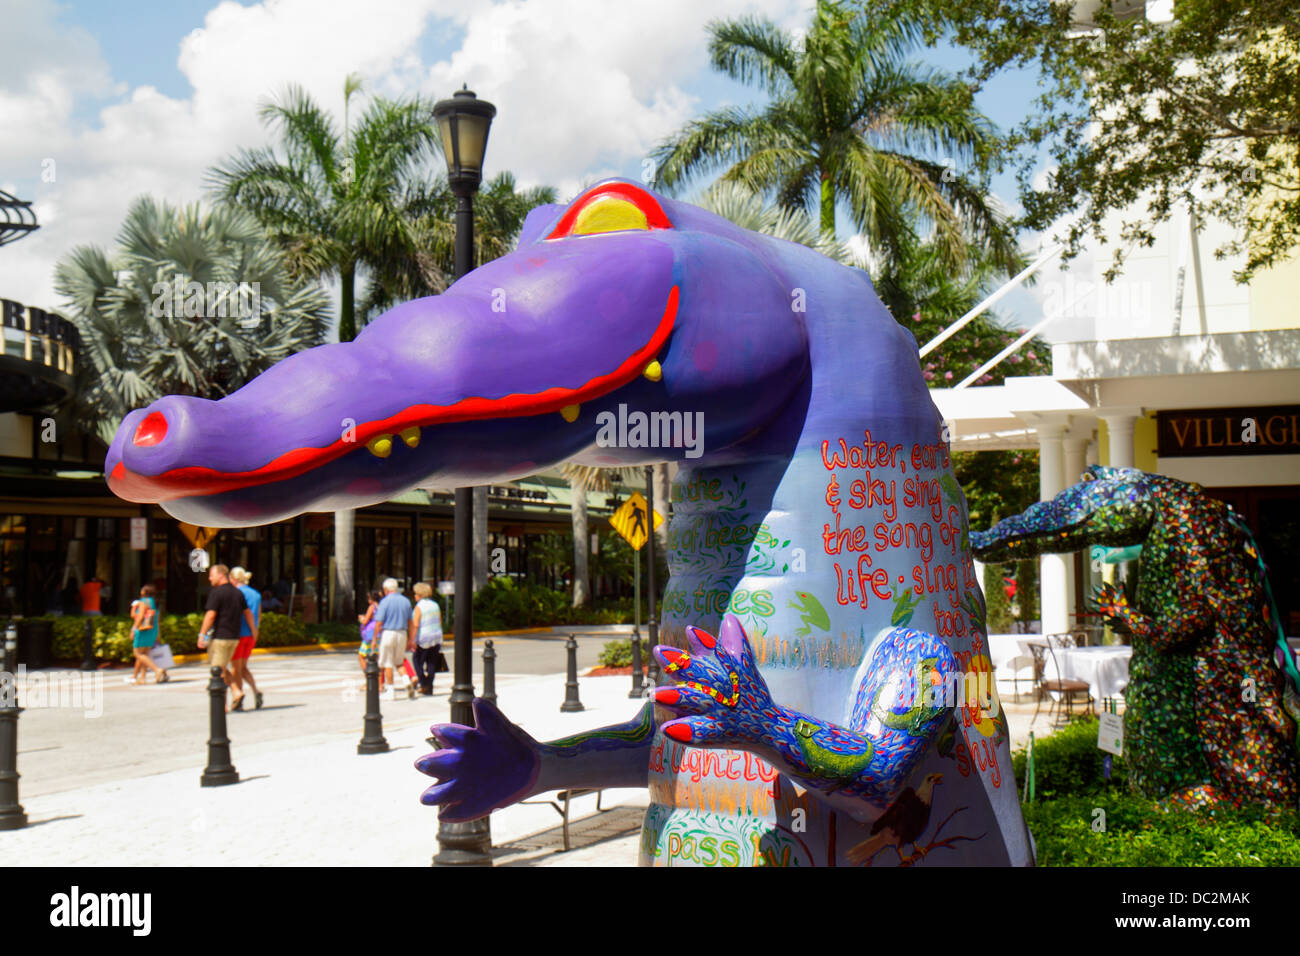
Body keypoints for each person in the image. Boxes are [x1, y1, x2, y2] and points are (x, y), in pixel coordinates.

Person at [196, 564, 257, 711]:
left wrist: (201, 634)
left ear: (221, 575)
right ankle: (236, 691)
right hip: (234, 637)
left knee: (217, 670)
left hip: (220, 637)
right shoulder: (238, 593)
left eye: (212, 575)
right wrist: (253, 630)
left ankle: (224, 702)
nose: (209, 578)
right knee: (222, 667)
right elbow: (248, 613)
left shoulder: (216, 593)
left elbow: (210, 615)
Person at [230, 567, 263, 711]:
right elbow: (259, 615)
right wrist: (255, 630)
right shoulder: (255, 594)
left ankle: (238, 698)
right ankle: (256, 691)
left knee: (236, 669)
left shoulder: (236, 594)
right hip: (251, 635)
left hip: (239, 634)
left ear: (235, 579)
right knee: (242, 667)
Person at [373, 578, 411, 698]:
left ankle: (390, 690)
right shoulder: (406, 601)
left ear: (386, 590)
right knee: (399, 662)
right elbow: (411, 621)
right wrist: (411, 638)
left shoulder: (384, 602)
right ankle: (406, 681)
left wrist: (374, 639)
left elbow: (378, 623)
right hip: (402, 633)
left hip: (388, 633)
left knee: (387, 662)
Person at [129, 584, 167, 684]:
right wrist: (157, 635)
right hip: (152, 630)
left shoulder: (143, 602)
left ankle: (157, 670)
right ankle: (142, 678)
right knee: (145, 654)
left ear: (144, 592)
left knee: (138, 653)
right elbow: (157, 620)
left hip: (143, 630)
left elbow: (140, 617)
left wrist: (133, 629)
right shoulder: (156, 603)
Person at [410, 583, 443, 696]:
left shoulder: (419, 607)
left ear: (419, 594)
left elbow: (415, 624)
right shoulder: (435, 605)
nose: (414, 596)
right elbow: (439, 621)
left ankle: (424, 683)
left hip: (424, 637)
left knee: (417, 660)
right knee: (431, 662)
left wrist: (412, 640)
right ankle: (430, 685)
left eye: (415, 593)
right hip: (436, 635)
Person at [357, 590, 381, 675]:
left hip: (370, 633)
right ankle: (378, 681)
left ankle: (368, 677)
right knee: (376, 657)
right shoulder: (381, 606)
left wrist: (361, 618)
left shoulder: (372, 607)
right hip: (379, 633)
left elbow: (365, 621)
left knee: (361, 656)